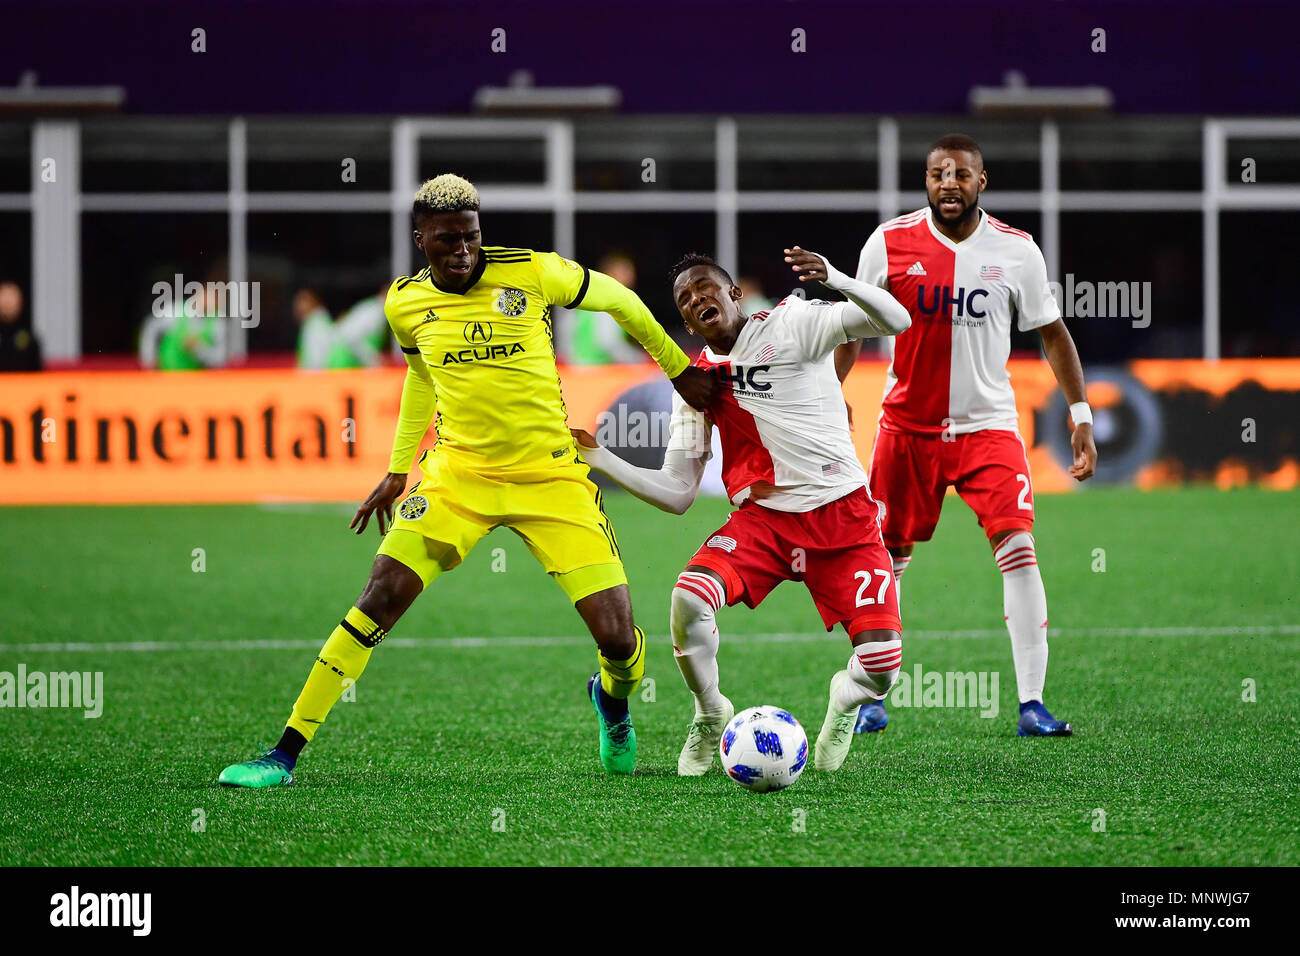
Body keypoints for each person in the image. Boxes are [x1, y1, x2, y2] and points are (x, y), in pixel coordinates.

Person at [218, 174, 717, 787]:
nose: (463, 251)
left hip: (551, 477)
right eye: (448, 240)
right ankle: (284, 754)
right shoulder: (405, 304)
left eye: (472, 238)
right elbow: (421, 377)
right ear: (420, 238)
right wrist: (400, 468)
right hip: (459, 476)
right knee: (378, 597)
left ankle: (612, 703)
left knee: (618, 640)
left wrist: (675, 369)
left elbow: (617, 296)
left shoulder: (533, 272)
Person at [573, 247, 911, 775]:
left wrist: (837, 278)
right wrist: (600, 458)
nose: (695, 298)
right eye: (684, 299)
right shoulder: (697, 386)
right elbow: (678, 493)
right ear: (683, 320)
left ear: (733, 293)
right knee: (687, 597)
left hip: (843, 517)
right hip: (764, 523)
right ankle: (711, 711)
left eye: (705, 286)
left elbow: (897, 318)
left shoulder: (794, 322)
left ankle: (845, 702)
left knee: (881, 670)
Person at [842, 133, 1097, 737]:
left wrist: (1081, 414)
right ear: (925, 181)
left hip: (989, 428)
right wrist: (830, 401)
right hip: (906, 429)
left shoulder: (1016, 250)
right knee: (886, 561)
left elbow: (1052, 332)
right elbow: (849, 327)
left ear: (983, 182)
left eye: (961, 174)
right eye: (937, 174)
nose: (948, 184)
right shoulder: (888, 243)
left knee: (1019, 548)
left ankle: (1032, 704)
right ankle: (873, 693)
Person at [563, 252, 647, 364]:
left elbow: (565, 333)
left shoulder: (585, 296)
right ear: (609, 274)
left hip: (576, 369)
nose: (631, 277)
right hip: (599, 370)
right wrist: (638, 359)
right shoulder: (610, 301)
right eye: (625, 272)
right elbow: (608, 343)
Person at [0, 281, 41, 372]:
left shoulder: (30, 339)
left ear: (20, 302)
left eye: (12, 297)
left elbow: (38, 376)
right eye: (4, 297)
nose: (8, 303)